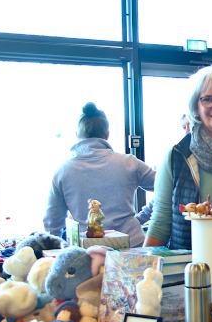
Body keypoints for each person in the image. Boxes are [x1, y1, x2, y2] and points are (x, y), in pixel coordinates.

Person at [143, 66, 212, 249]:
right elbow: (160, 223)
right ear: (196, 107)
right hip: (190, 269)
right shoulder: (176, 156)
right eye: (207, 99)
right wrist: (143, 271)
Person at [43, 102, 156, 247]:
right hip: (132, 245)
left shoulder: (63, 171)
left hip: (87, 252)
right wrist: (142, 217)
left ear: (77, 134)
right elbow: (166, 188)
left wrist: (58, 253)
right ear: (107, 134)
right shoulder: (129, 163)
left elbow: (52, 223)